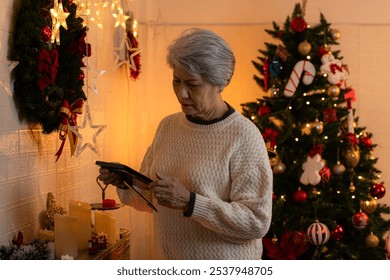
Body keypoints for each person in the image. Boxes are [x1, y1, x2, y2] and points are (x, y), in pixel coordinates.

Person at [98, 28, 273, 260]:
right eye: (176, 80)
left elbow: (256, 222)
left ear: (221, 83)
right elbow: (152, 201)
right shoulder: (168, 127)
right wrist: (128, 182)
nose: (181, 93)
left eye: (193, 84)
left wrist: (191, 202)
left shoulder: (244, 136)